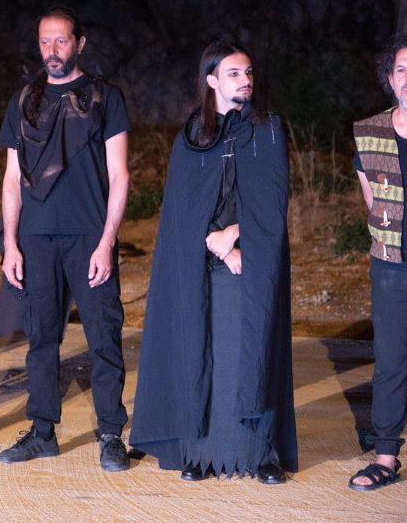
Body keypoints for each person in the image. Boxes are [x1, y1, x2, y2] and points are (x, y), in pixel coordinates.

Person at [129, 41, 296, 484]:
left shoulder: (267, 129)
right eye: (234, 73)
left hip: (252, 262)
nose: (246, 80)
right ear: (212, 80)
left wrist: (236, 236)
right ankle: (199, 455)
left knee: (250, 352)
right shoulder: (191, 136)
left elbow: (271, 202)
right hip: (201, 263)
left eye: (249, 72)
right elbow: (182, 211)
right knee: (200, 352)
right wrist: (219, 246)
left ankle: (260, 454)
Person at [0, 7, 131, 472]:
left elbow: (120, 174)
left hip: (90, 235)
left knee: (103, 336)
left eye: (61, 40)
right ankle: (42, 432)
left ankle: (111, 433)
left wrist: (107, 241)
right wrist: (11, 244)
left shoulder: (105, 97)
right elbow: (11, 179)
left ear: (80, 43)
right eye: (44, 41)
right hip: (36, 237)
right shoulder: (23, 101)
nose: (52, 50)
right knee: (41, 339)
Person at [349, 34, 407, 490]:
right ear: (389, 78)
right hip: (391, 271)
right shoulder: (368, 132)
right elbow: (372, 201)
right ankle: (385, 458)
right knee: (390, 365)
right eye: (401, 69)